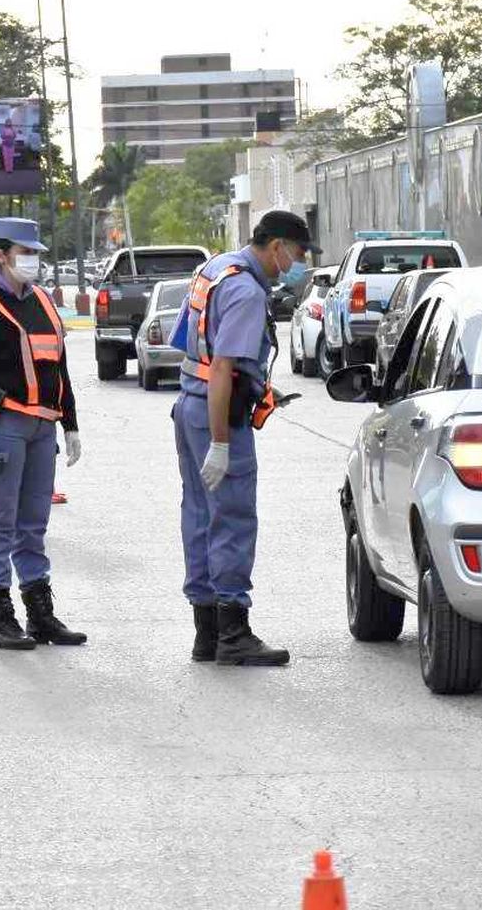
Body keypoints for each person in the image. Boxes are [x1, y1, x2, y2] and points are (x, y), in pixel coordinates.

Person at [170, 210, 319, 666]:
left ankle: (207, 633)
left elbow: (193, 347)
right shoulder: (246, 290)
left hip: (190, 406)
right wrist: (220, 441)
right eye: (295, 254)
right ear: (276, 246)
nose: (294, 263)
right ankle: (233, 632)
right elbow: (221, 368)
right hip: (217, 417)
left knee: (199, 515)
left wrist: (258, 386)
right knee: (232, 519)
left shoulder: (214, 270)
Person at [0, 217, 86, 651]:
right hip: (3, 426)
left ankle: (40, 614)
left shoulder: (43, 302)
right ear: (1, 255)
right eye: (25, 253)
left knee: (33, 524)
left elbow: (58, 367)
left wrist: (71, 424)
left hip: (42, 426)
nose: (32, 260)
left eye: (36, 254)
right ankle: (1, 617)